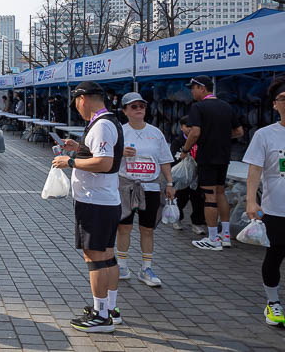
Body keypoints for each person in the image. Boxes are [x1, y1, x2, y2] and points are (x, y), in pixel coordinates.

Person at [52, 81, 123, 333]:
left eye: (76, 102)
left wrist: (70, 161)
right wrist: (80, 148)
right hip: (104, 199)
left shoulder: (103, 124)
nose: (76, 107)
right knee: (107, 254)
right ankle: (109, 308)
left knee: (94, 256)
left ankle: (100, 314)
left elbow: (104, 162)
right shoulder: (107, 121)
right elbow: (97, 154)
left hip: (95, 201)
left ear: (83, 99)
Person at [114, 92, 175, 290]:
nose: (139, 109)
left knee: (147, 229)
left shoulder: (155, 133)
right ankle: (122, 265)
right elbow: (107, 157)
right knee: (124, 227)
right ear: (125, 111)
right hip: (126, 185)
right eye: (133, 106)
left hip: (150, 186)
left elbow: (165, 159)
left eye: (142, 105)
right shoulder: (119, 132)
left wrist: (170, 183)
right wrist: (120, 152)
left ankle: (146, 267)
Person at [182, 75, 243, 251]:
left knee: (209, 196)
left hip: (207, 157)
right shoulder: (227, 106)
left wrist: (185, 150)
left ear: (202, 88)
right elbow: (238, 131)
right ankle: (225, 236)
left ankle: (212, 238)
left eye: (192, 88)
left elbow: (194, 133)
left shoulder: (198, 107)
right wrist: (221, 138)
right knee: (220, 193)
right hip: (224, 156)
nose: (191, 92)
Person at [244, 76, 285, 326]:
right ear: (274, 105)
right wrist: (251, 201)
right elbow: (254, 171)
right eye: (283, 99)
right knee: (275, 256)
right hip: (276, 210)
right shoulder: (265, 135)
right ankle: (273, 303)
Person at [170, 116, 205, 234]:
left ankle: (197, 223)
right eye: (187, 126)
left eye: (192, 127)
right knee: (181, 198)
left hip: (197, 175)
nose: (190, 129)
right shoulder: (178, 141)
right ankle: (177, 218)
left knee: (198, 200)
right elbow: (174, 156)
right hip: (183, 176)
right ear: (181, 127)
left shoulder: (201, 140)